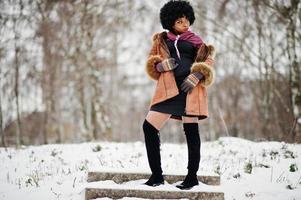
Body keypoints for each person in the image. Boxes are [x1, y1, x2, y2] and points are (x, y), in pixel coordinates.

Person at [142, 0, 216, 190]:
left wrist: (198, 75)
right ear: (170, 22)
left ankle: (192, 177)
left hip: (189, 89)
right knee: (149, 127)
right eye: (180, 21)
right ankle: (157, 176)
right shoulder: (161, 40)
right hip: (168, 90)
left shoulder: (195, 40)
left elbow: (208, 59)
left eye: (186, 20)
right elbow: (151, 62)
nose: (185, 24)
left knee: (191, 131)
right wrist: (160, 66)